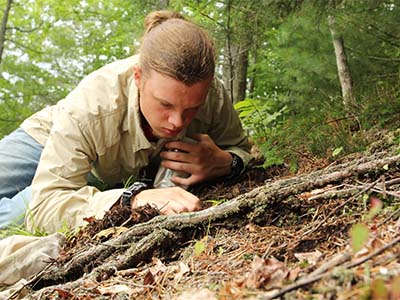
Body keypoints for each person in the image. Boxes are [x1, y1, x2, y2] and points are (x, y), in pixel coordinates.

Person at [0, 10, 252, 233]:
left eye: (191, 108)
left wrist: (225, 162)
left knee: (14, 217)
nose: (177, 122)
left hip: (93, 171)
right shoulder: (93, 104)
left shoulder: (213, 95)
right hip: (47, 138)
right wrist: (132, 199)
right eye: (165, 104)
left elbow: (242, 148)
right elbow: (46, 204)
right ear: (139, 77)